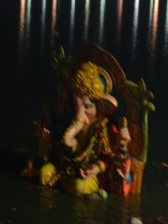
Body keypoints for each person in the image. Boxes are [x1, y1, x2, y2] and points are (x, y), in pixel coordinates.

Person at [39, 61, 119, 197]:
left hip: (85, 171)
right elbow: (55, 151)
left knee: (79, 186)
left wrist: (96, 169)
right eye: (78, 105)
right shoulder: (68, 117)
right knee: (44, 173)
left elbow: (107, 157)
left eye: (88, 106)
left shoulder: (99, 128)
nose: (81, 112)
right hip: (63, 168)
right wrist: (46, 142)